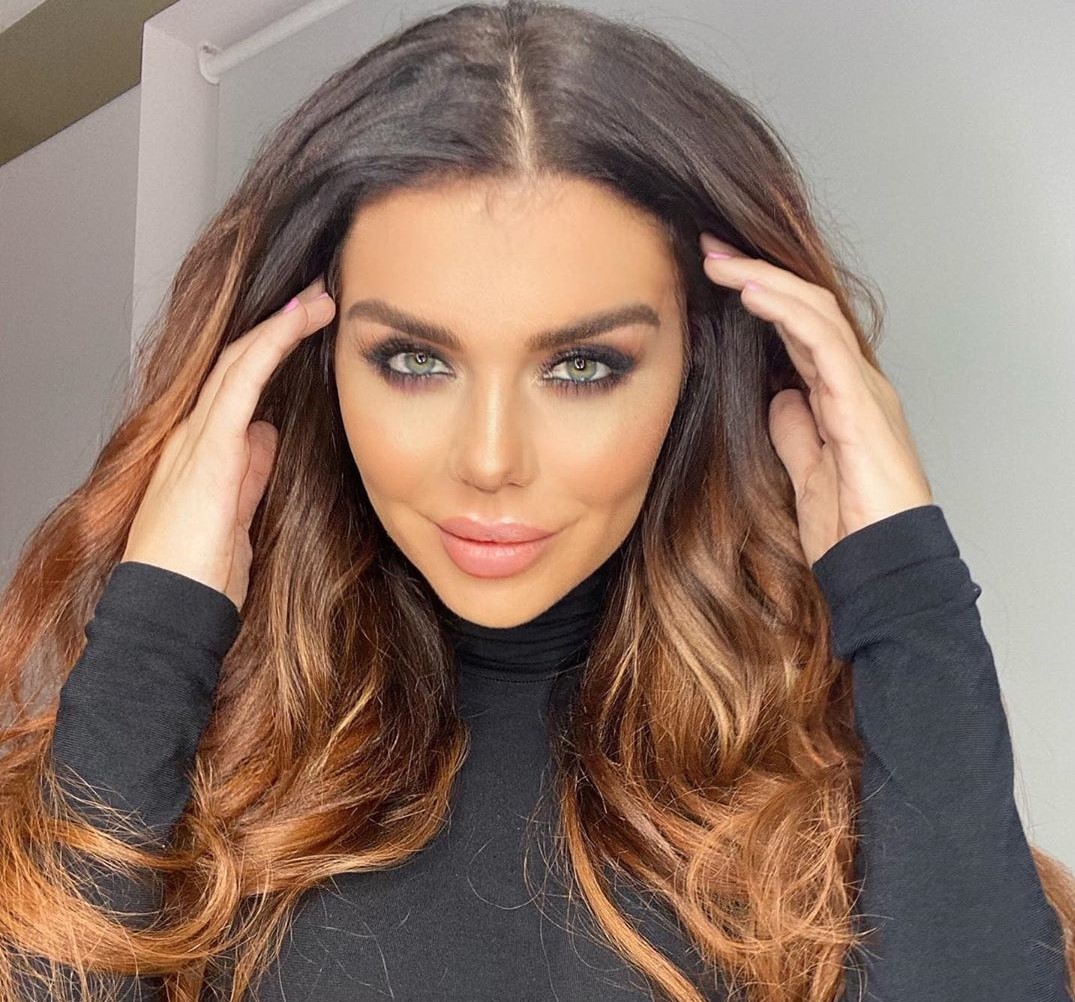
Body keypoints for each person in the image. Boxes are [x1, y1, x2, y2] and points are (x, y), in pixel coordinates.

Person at [1, 2, 1072, 1000]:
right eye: (414, 359)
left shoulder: (838, 792)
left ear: (699, 371)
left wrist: (907, 592)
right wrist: (156, 627)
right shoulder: (191, 756)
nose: (490, 459)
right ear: (311, 368)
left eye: (582, 366)